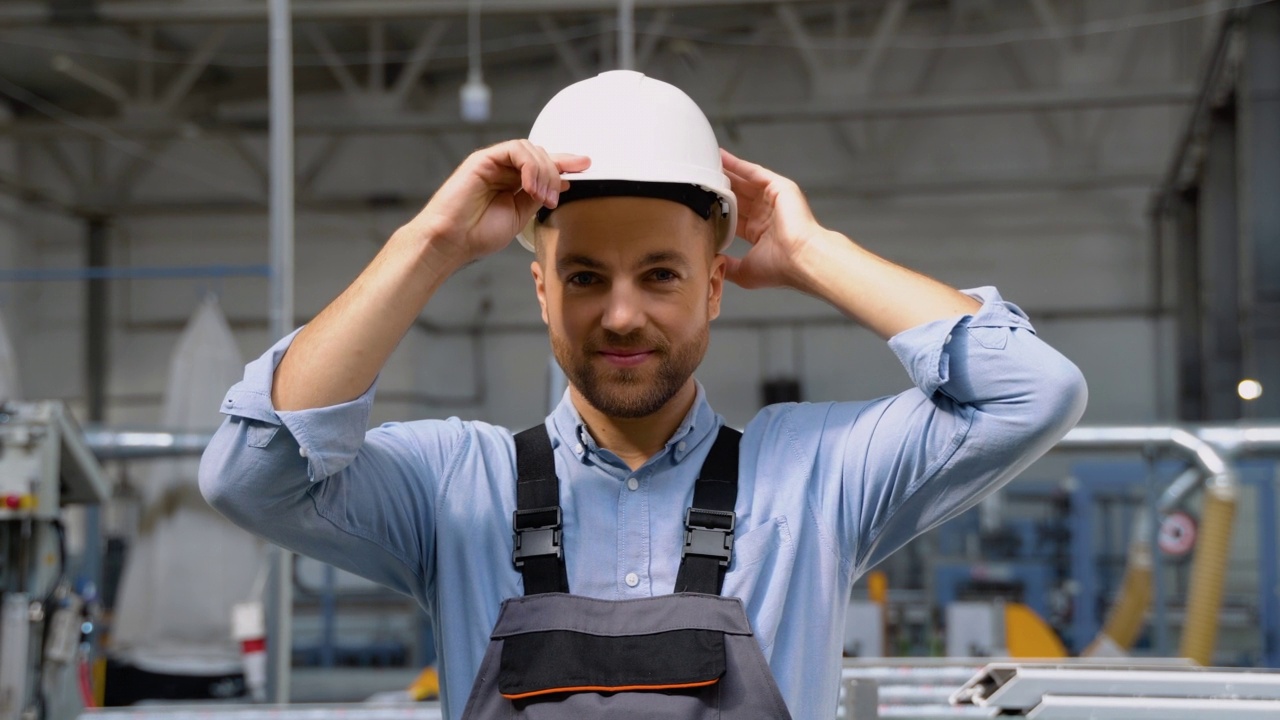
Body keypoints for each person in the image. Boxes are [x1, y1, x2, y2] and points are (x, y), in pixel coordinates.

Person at [200, 71, 1087, 719]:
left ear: (713, 286)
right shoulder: (454, 487)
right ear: (542, 290)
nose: (621, 316)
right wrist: (429, 244)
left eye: (660, 275)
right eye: (584, 277)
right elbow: (252, 475)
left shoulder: (818, 478)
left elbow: (1033, 393)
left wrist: (816, 253)